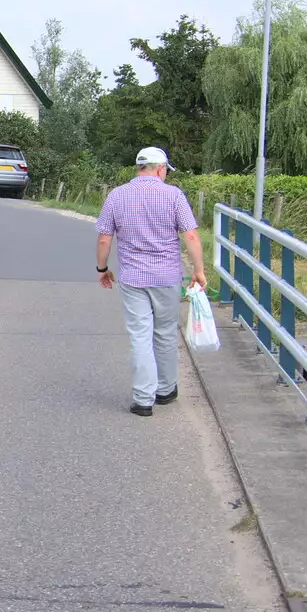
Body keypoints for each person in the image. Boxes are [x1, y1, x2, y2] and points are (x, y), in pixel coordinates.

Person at [94, 146, 207, 417]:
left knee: (140, 336)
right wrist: (199, 270)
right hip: (167, 277)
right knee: (166, 332)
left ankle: (143, 399)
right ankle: (166, 390)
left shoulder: (117, 196)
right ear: (160, 168)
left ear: (139, 168)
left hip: (133, 278)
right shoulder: (174, 196)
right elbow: (190, 236)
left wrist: (102, 268)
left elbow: (104, 238)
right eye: (166, 170)